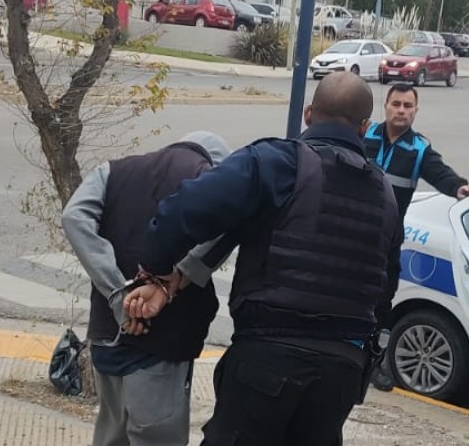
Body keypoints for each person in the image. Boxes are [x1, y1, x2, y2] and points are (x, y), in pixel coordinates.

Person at [122, 71, 403, 446]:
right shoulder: (385, 196)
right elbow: (385, 292)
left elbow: (186, 210)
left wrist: (155, 269)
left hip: (267, 359)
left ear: (307, 114)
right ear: (366, 127)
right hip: (341, 373)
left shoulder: (277, 163)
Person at [60, 131, 231, 446]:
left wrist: (117, 292)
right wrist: (176, 277)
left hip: (107, 335)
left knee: (112, 435)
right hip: (164, 341)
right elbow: (227, 226)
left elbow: (74, 217)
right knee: (156, 437)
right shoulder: (209, 179)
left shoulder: (112, 171)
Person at [364, 83, 469, 391]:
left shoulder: (419, 150)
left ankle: (374, 363)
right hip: (355, 231)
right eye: (396, 104)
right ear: (385, 105)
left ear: (415, 111)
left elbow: (441, 173)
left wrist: (459, 187)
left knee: (382, 304)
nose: (401, 110)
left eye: (408, 106)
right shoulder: (365, 137)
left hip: (387, 240)